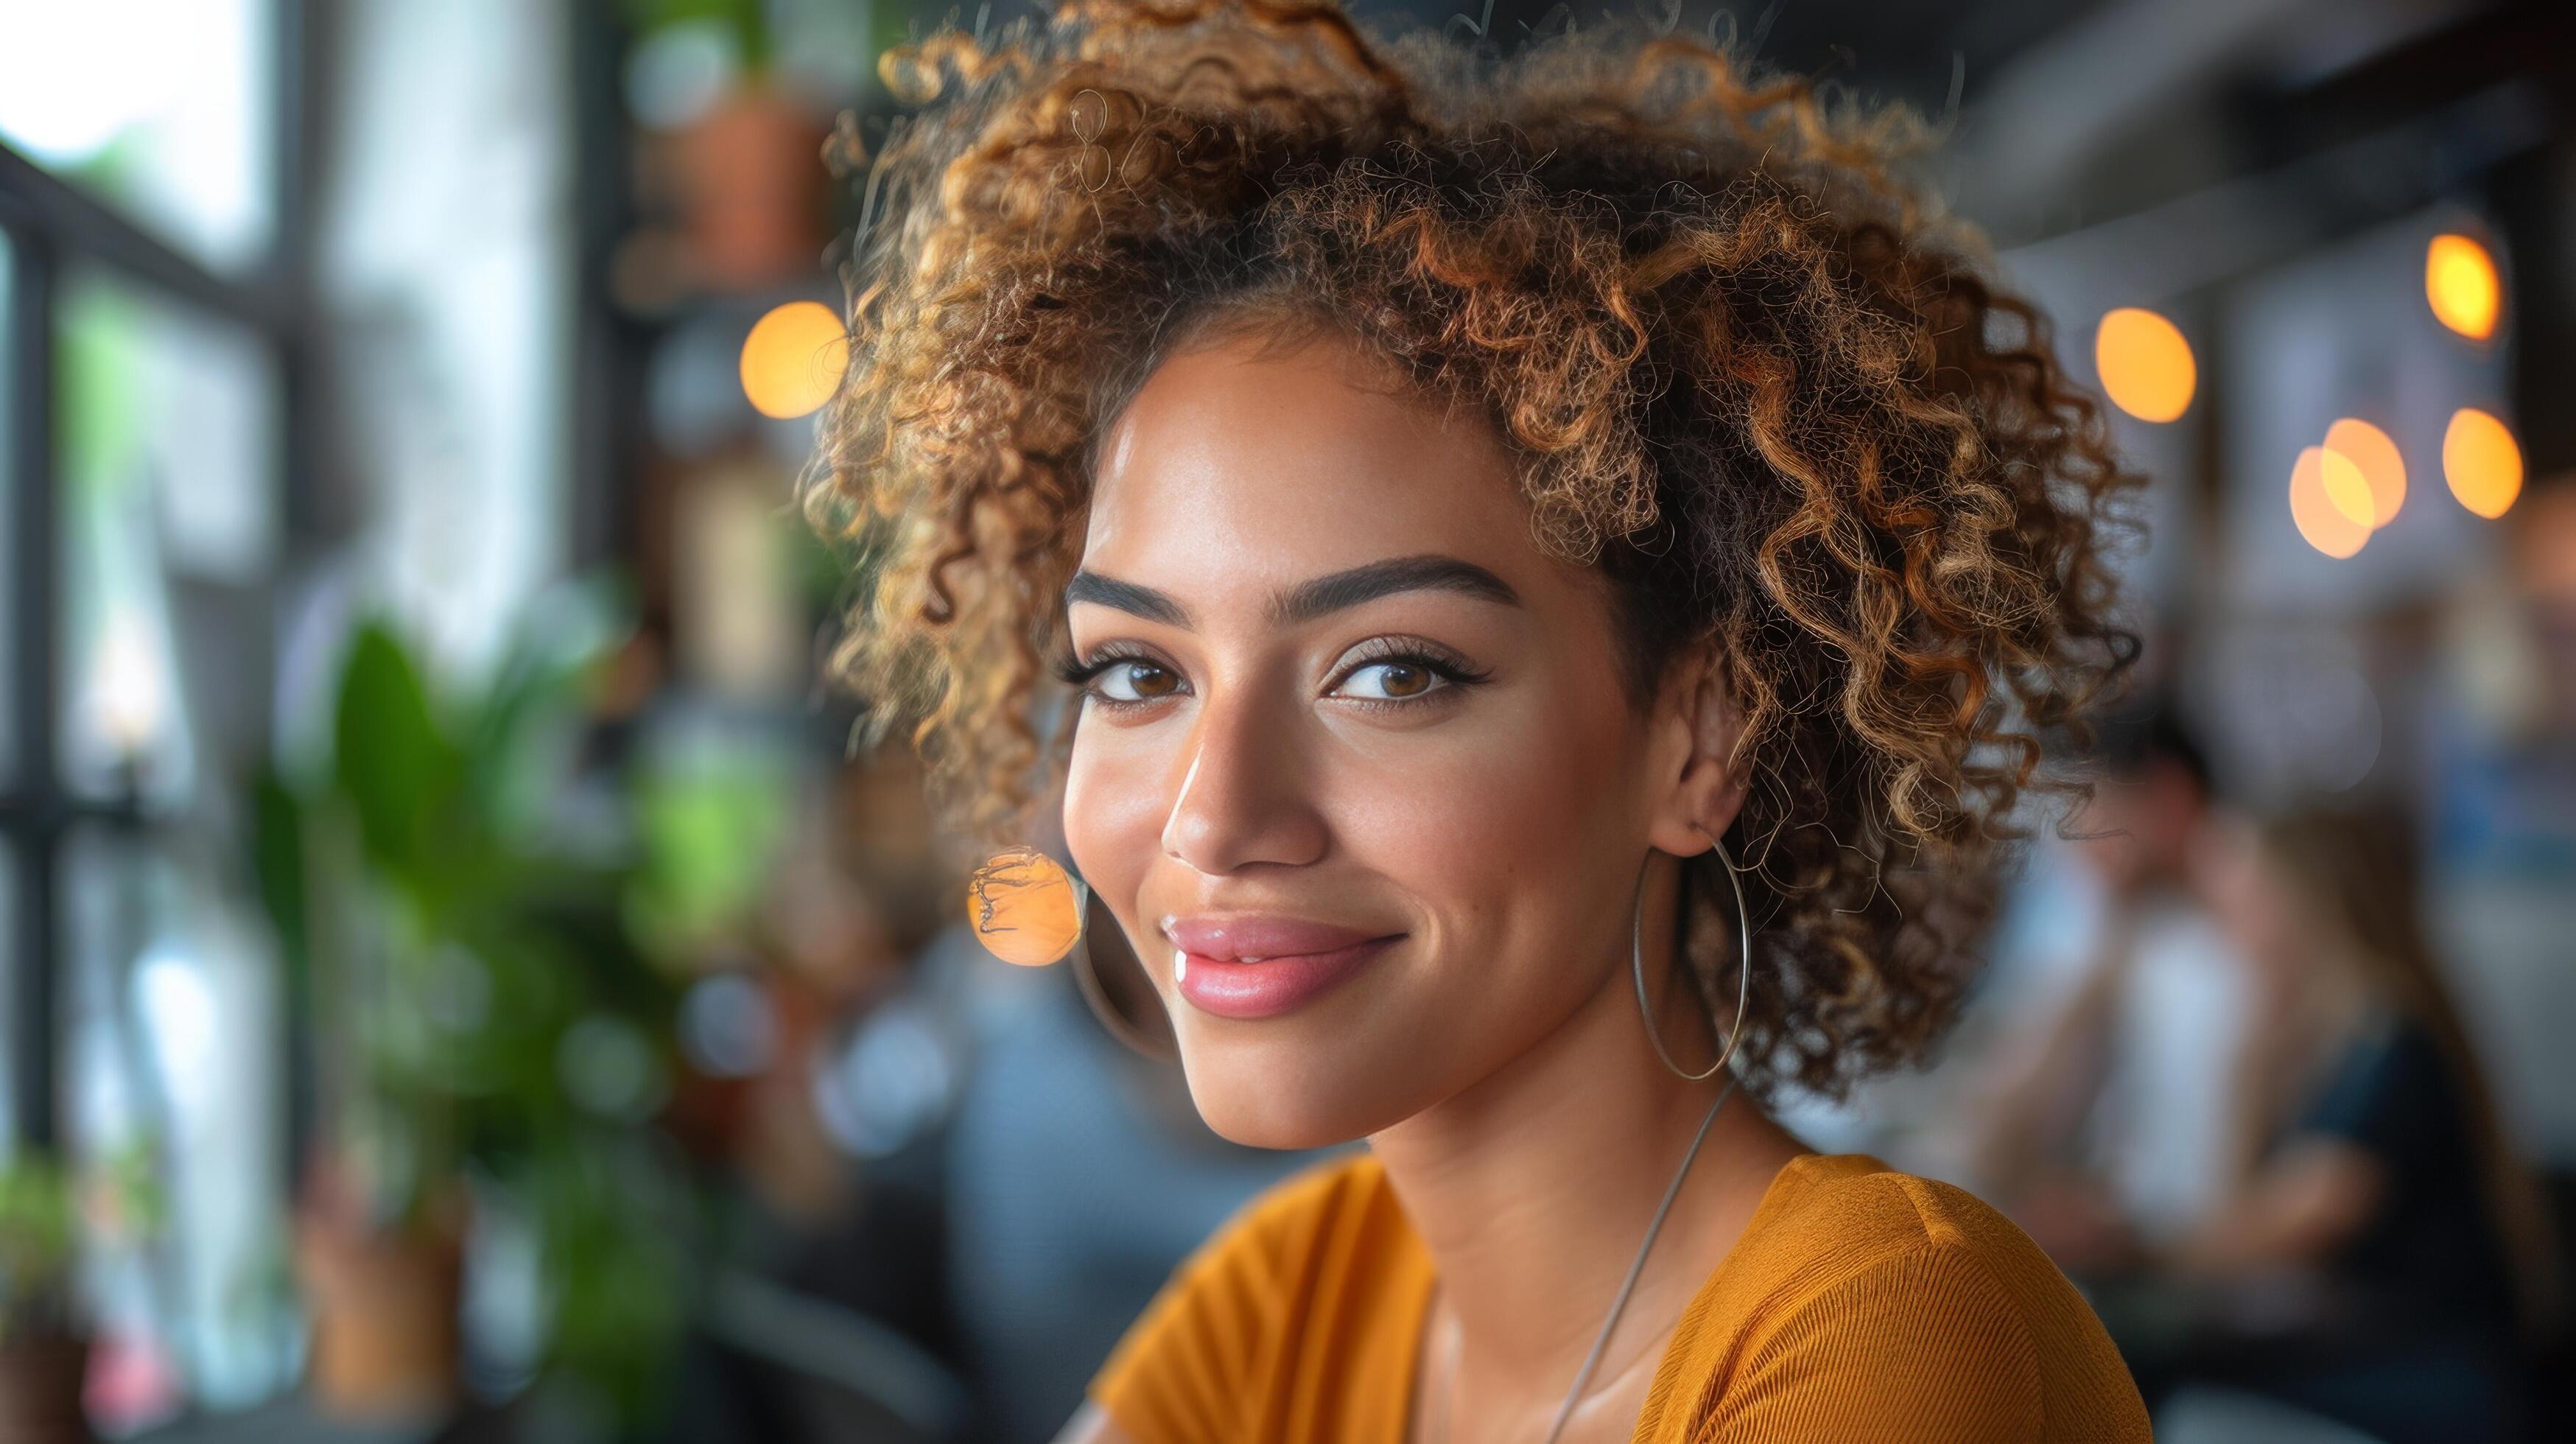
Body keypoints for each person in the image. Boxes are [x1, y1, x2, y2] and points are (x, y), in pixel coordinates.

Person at [809, 2, 2151, 1439]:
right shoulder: (1285, 1304)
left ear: (1698, 736)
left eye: (1391, 671)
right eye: (1137, 671)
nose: (1210, 813)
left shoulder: (1886, 1340)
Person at [2095, 807, 2557, 1444]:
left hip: (2439, 1376)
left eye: (2244, 907)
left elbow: (2292, 1224)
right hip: (2384, 1354)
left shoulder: (2394, 1042)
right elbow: (2242, 1223)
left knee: (2161, 1391)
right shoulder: (2336, 1044)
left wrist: (2124, 1248)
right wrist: (2247, 1079)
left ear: (2303, 908)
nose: (2230, 935)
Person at [1967, 707, 2254, 1265]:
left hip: (2225, 1282)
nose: (2077, 844)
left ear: (2171, 800)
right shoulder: (2118, 938)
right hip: (2149, 1260)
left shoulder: (2247, 942)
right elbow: (1994, 1138)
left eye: (2090, 808)